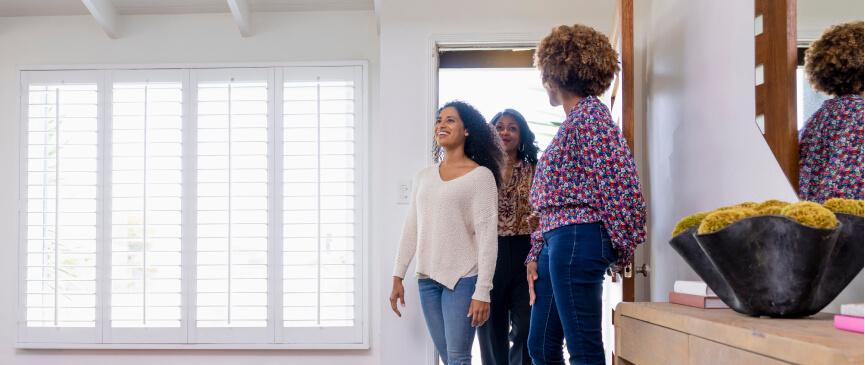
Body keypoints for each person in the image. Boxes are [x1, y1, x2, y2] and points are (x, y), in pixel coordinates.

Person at [525, 24, 647, 365]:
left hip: (577, 238)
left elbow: (620, 184)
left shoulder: (591, 117)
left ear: (556, 75)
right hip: (558, 241)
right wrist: (537, 249)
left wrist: (622, 245)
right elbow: (549, 204)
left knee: (584, 350)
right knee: (541, 346)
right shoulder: (576, 121)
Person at [390, 101, 504, 365]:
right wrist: (398, 274)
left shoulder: (481, 177)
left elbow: (488, 238)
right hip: (427, 279)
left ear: (466, 130)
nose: (441, 124)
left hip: (464, 278)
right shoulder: (424, 177)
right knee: (449, 358)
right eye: (439, 120)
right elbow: (412, 227)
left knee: (458, 358)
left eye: (450, 120)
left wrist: (482, 291)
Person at [478, 109, 540, 365]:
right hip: (489, 252)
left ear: (521, 135)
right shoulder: (480, 171)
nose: (505, 132)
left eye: (512, 128)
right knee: (491, 328)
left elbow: (543, 209)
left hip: (526, 253)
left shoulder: (535, 170)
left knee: (526, 326)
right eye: (500, 127)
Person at [799, 21, 864, 202]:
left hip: (815, 223)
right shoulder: (860, 116)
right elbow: (847, 190)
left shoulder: (817, 118)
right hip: (850, 225)